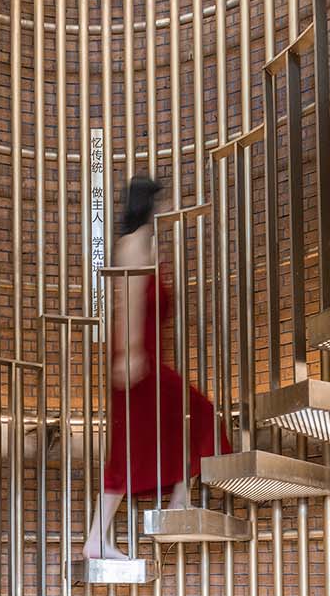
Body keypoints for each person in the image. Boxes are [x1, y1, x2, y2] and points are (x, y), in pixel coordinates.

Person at [84, 174, 228, 560]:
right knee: (198, 414)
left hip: (142, 360)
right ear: (147, 205)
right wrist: (130, 352)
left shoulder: (143, 244)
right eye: (158, 204)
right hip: (137, 363)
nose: (162, 211)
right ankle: (172, 504)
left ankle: (102, 536)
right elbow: (127, 301)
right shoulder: (133, 245)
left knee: (145, 441)